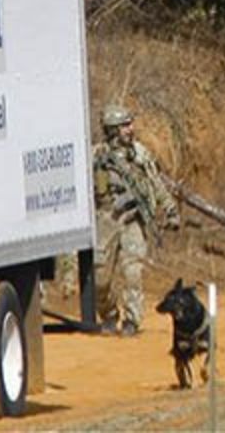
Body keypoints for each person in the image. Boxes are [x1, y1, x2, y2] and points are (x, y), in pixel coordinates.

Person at [93, 103, 180, 336]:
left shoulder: (139, 154)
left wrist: (170, 209)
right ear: (112, 129)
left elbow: (155, 182)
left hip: (133, 220)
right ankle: (109, 314)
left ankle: (132, 319)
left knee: (132, 272)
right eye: (125, 126)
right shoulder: (97, 156)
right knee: (100, 278)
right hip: (106, 220)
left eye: (130, 124)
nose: (130, 129)